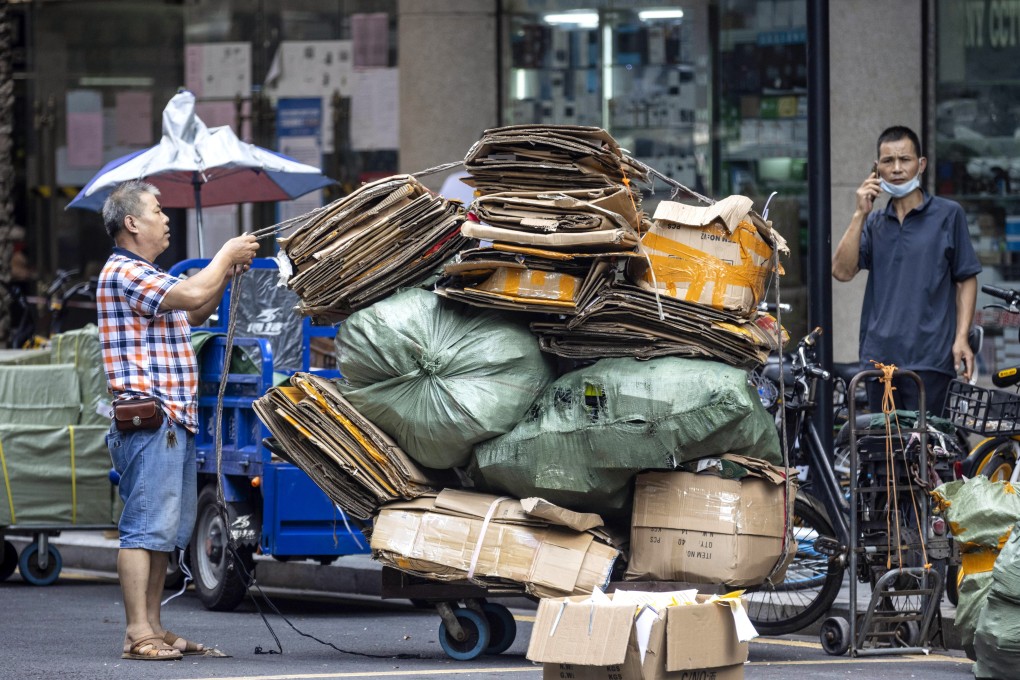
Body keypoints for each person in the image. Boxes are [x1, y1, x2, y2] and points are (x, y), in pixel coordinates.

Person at [97, 180, 258, 660]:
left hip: (170, 421)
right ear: (131, 223)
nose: (166, 218)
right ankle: (136, 633)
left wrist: (225, 273)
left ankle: (152, 626)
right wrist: (225, 254)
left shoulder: (149, 275)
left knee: (165, 530)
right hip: (151, 421)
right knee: (144, 529)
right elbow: (192, 294)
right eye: (157, 210)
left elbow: (196, 308)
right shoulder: (124, 271)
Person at [832, 125, 982, 415]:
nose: (897, 168)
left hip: (930, 359)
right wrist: (859, 213)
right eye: (888, 161)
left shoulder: (948, 215)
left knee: (926, 454)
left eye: (905, 159)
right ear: (877, 169)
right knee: (883, 455)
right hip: (879, 362)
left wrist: (961, 337)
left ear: (921, 164)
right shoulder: (874, 223)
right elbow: (841, 271)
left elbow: (966, 279)